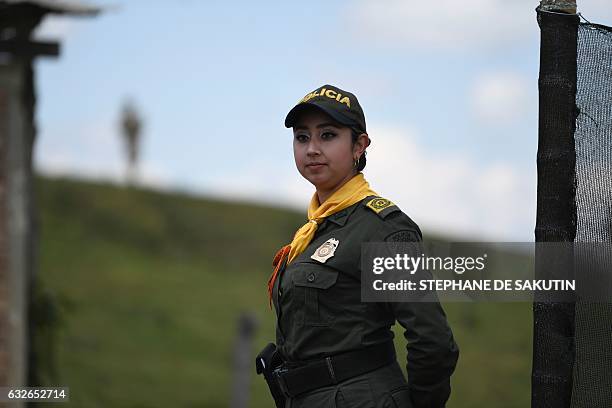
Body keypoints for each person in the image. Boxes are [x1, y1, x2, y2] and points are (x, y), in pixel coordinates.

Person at [256, 84, 459, 408]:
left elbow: (433, 341)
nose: (311, 149)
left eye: (328, 135)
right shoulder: (313, 232)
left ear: (359, 146)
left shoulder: (382, 228)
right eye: (302, 137)